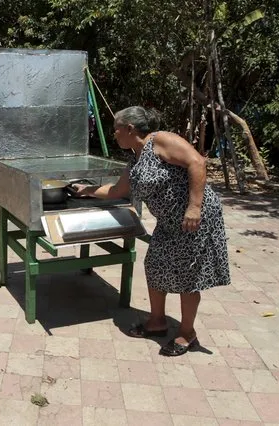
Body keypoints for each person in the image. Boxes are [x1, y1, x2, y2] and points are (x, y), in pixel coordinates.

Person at [72, 106, 231, 357]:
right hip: (168, 223)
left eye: (116, 130)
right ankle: (157, 322)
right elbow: (117, 191)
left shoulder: (161, 141)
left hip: (194, 219)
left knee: (187, 275)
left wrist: (194, 206)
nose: (114, 135)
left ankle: (187, 333)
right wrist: (87, 190)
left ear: (129, 129)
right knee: (155, 264)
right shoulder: (135, 158)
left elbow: (197, 162)